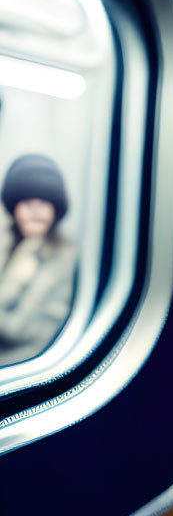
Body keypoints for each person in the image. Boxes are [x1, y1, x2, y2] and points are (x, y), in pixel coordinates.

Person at [0, 153, 76, 366]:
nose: (35, 210)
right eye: (26, 201)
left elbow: (18, 329)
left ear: (56, 209)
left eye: (44, 201)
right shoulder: (12, 248)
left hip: (27, 367)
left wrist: (17, 277)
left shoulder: (62, 259)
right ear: (14, 208)